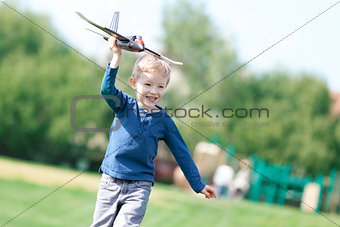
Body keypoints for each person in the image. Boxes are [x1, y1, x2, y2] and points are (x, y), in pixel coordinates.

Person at [91, 37, 216, 227]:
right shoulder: (123, 105)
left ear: (165, 87)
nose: (154, 91)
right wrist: (117, 56)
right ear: (134, 83)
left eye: (160, 86)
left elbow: (182, 153)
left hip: (139, 186)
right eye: (148, 84)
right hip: (111, 181)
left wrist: (197, 184)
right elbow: (106, 89)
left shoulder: (163, 122)